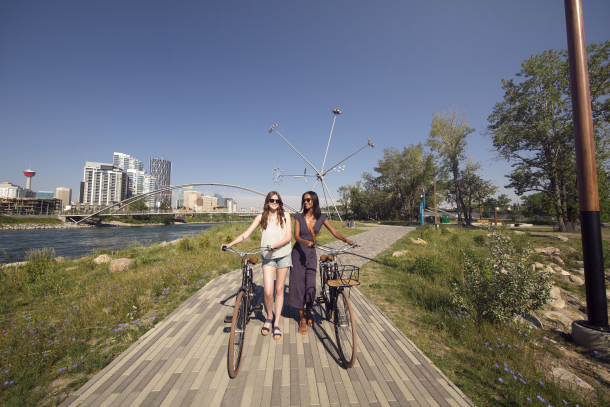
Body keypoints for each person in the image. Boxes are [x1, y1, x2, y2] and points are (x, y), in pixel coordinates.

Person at [222, 191, 292, 340]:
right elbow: (245, 234)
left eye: (277, 201)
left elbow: (288, 237)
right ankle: (269, 316)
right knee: (267, 292)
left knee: (279, 290)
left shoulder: (286, 216)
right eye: (271, 200)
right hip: (268, 257)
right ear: (267, 202)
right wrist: (229, 244)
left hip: (284, 255)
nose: (274, 203)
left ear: (280, 203)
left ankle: (276, 322)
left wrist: (274, 245)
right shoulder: (262, 217)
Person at [287, 191, 354, 335]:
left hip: (311, 254)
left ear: (314, 201)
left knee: (310, 285)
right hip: (298, 254)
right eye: (304, 200)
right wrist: (307, 242)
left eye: (308, 200)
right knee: (298, 285)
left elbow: (334, 231)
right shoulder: (298, 217)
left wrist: (346, 240)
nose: (305, 202)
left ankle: (309, 310)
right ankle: (302, 317)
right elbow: (296, 236)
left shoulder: (321, 218)